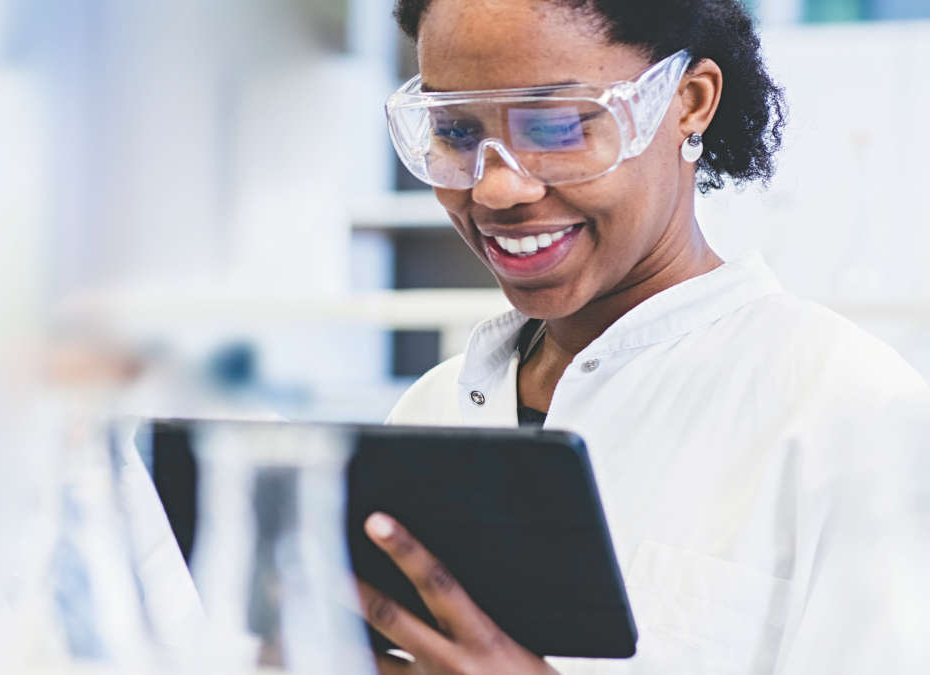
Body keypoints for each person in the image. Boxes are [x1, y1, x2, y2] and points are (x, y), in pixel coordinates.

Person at [358, 0, 930, 673]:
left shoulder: (844, 407)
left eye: (558, 126)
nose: (496, 188)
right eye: (454, 130)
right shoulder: (431, 413)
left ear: (688, 102)